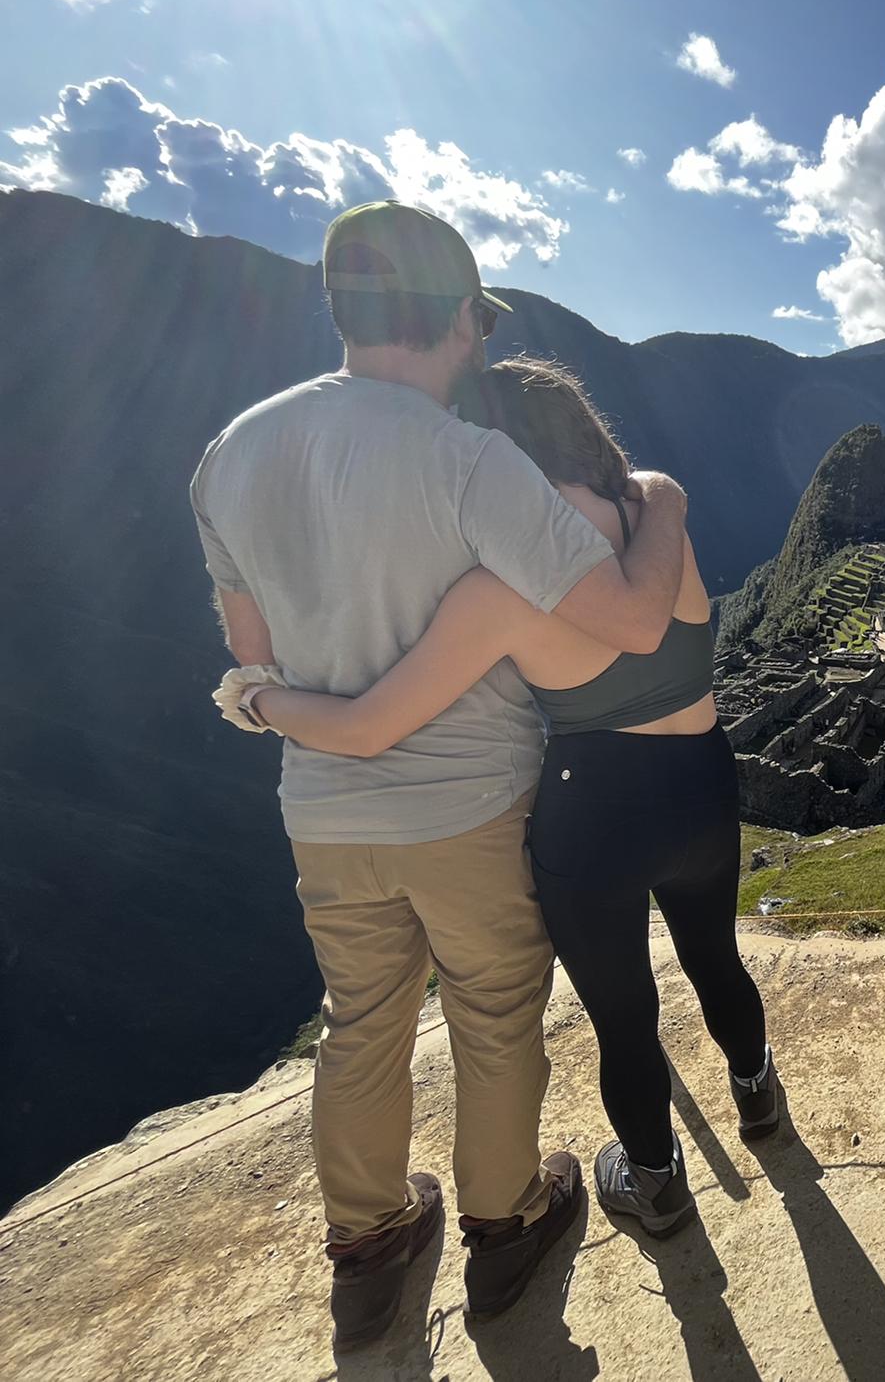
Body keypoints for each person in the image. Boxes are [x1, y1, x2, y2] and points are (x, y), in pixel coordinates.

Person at [190, 202, 692, 1351]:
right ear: (463, 318)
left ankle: (369, 1247)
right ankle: (505, 1227)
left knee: (358, 1024)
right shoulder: (472, 460)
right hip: (470, 804)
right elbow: (622, 618)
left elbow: (248, 651)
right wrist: (660, 505)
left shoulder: (232, 452)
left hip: (321, 807)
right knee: (495, 1017)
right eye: (477, 324)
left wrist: (291, 708)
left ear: (342, 309)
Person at [214, 357, 782, 1254]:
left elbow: (368, 726)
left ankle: (658, 1184)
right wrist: (660, 494)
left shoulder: (495, 588)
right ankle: (759, 1098)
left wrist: (256, 698)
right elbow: (652, 538)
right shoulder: (653, 518)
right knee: (717, 960)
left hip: (596, 815)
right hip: (706, 784)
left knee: (625, 1015)